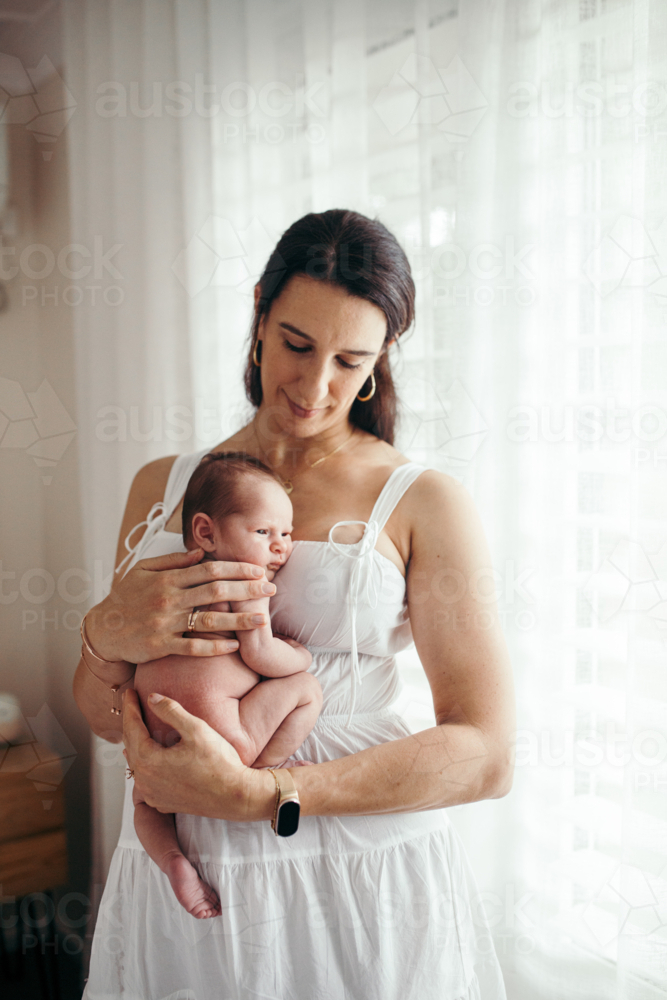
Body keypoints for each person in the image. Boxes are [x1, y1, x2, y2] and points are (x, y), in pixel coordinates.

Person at [74, 208, 515, 1000]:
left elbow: (485, 755)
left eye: (350, 361)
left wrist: (264, 796)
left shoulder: (422, 500)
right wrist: (102, 636)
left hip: (357, 870)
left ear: (382, 361)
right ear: (259, 316)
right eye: (297, 345)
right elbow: (108, 718)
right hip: (187, 865)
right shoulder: (163, 488)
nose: (315, 389)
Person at [131, 451, 321, 921]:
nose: (280, 547)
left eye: (286, 534)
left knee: (146, 801)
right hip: (225, 738)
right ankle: (264, 768)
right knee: (307, 689)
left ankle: (173, 861)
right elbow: (259, 654)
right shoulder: (245, 581)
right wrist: (299, 654)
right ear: (206, 531)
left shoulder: (166, 582)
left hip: (153, 732)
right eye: (263, 532)